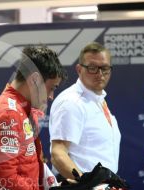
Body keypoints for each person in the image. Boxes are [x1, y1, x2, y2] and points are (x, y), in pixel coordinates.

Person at [0, 45, 78, 190]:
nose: (51, 96)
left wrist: (56, 189)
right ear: (34, 80)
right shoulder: (6, 114)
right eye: (51, 88)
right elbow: (4, 180)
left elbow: (30, 168)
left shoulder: (22, 110)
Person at [49, 41, 121, 180]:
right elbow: (58, 153)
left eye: (105, 68)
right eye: (92, 68)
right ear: (79, 69)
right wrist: (84, 185)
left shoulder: (98, 99)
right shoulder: (72, 102)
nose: (100, 74)